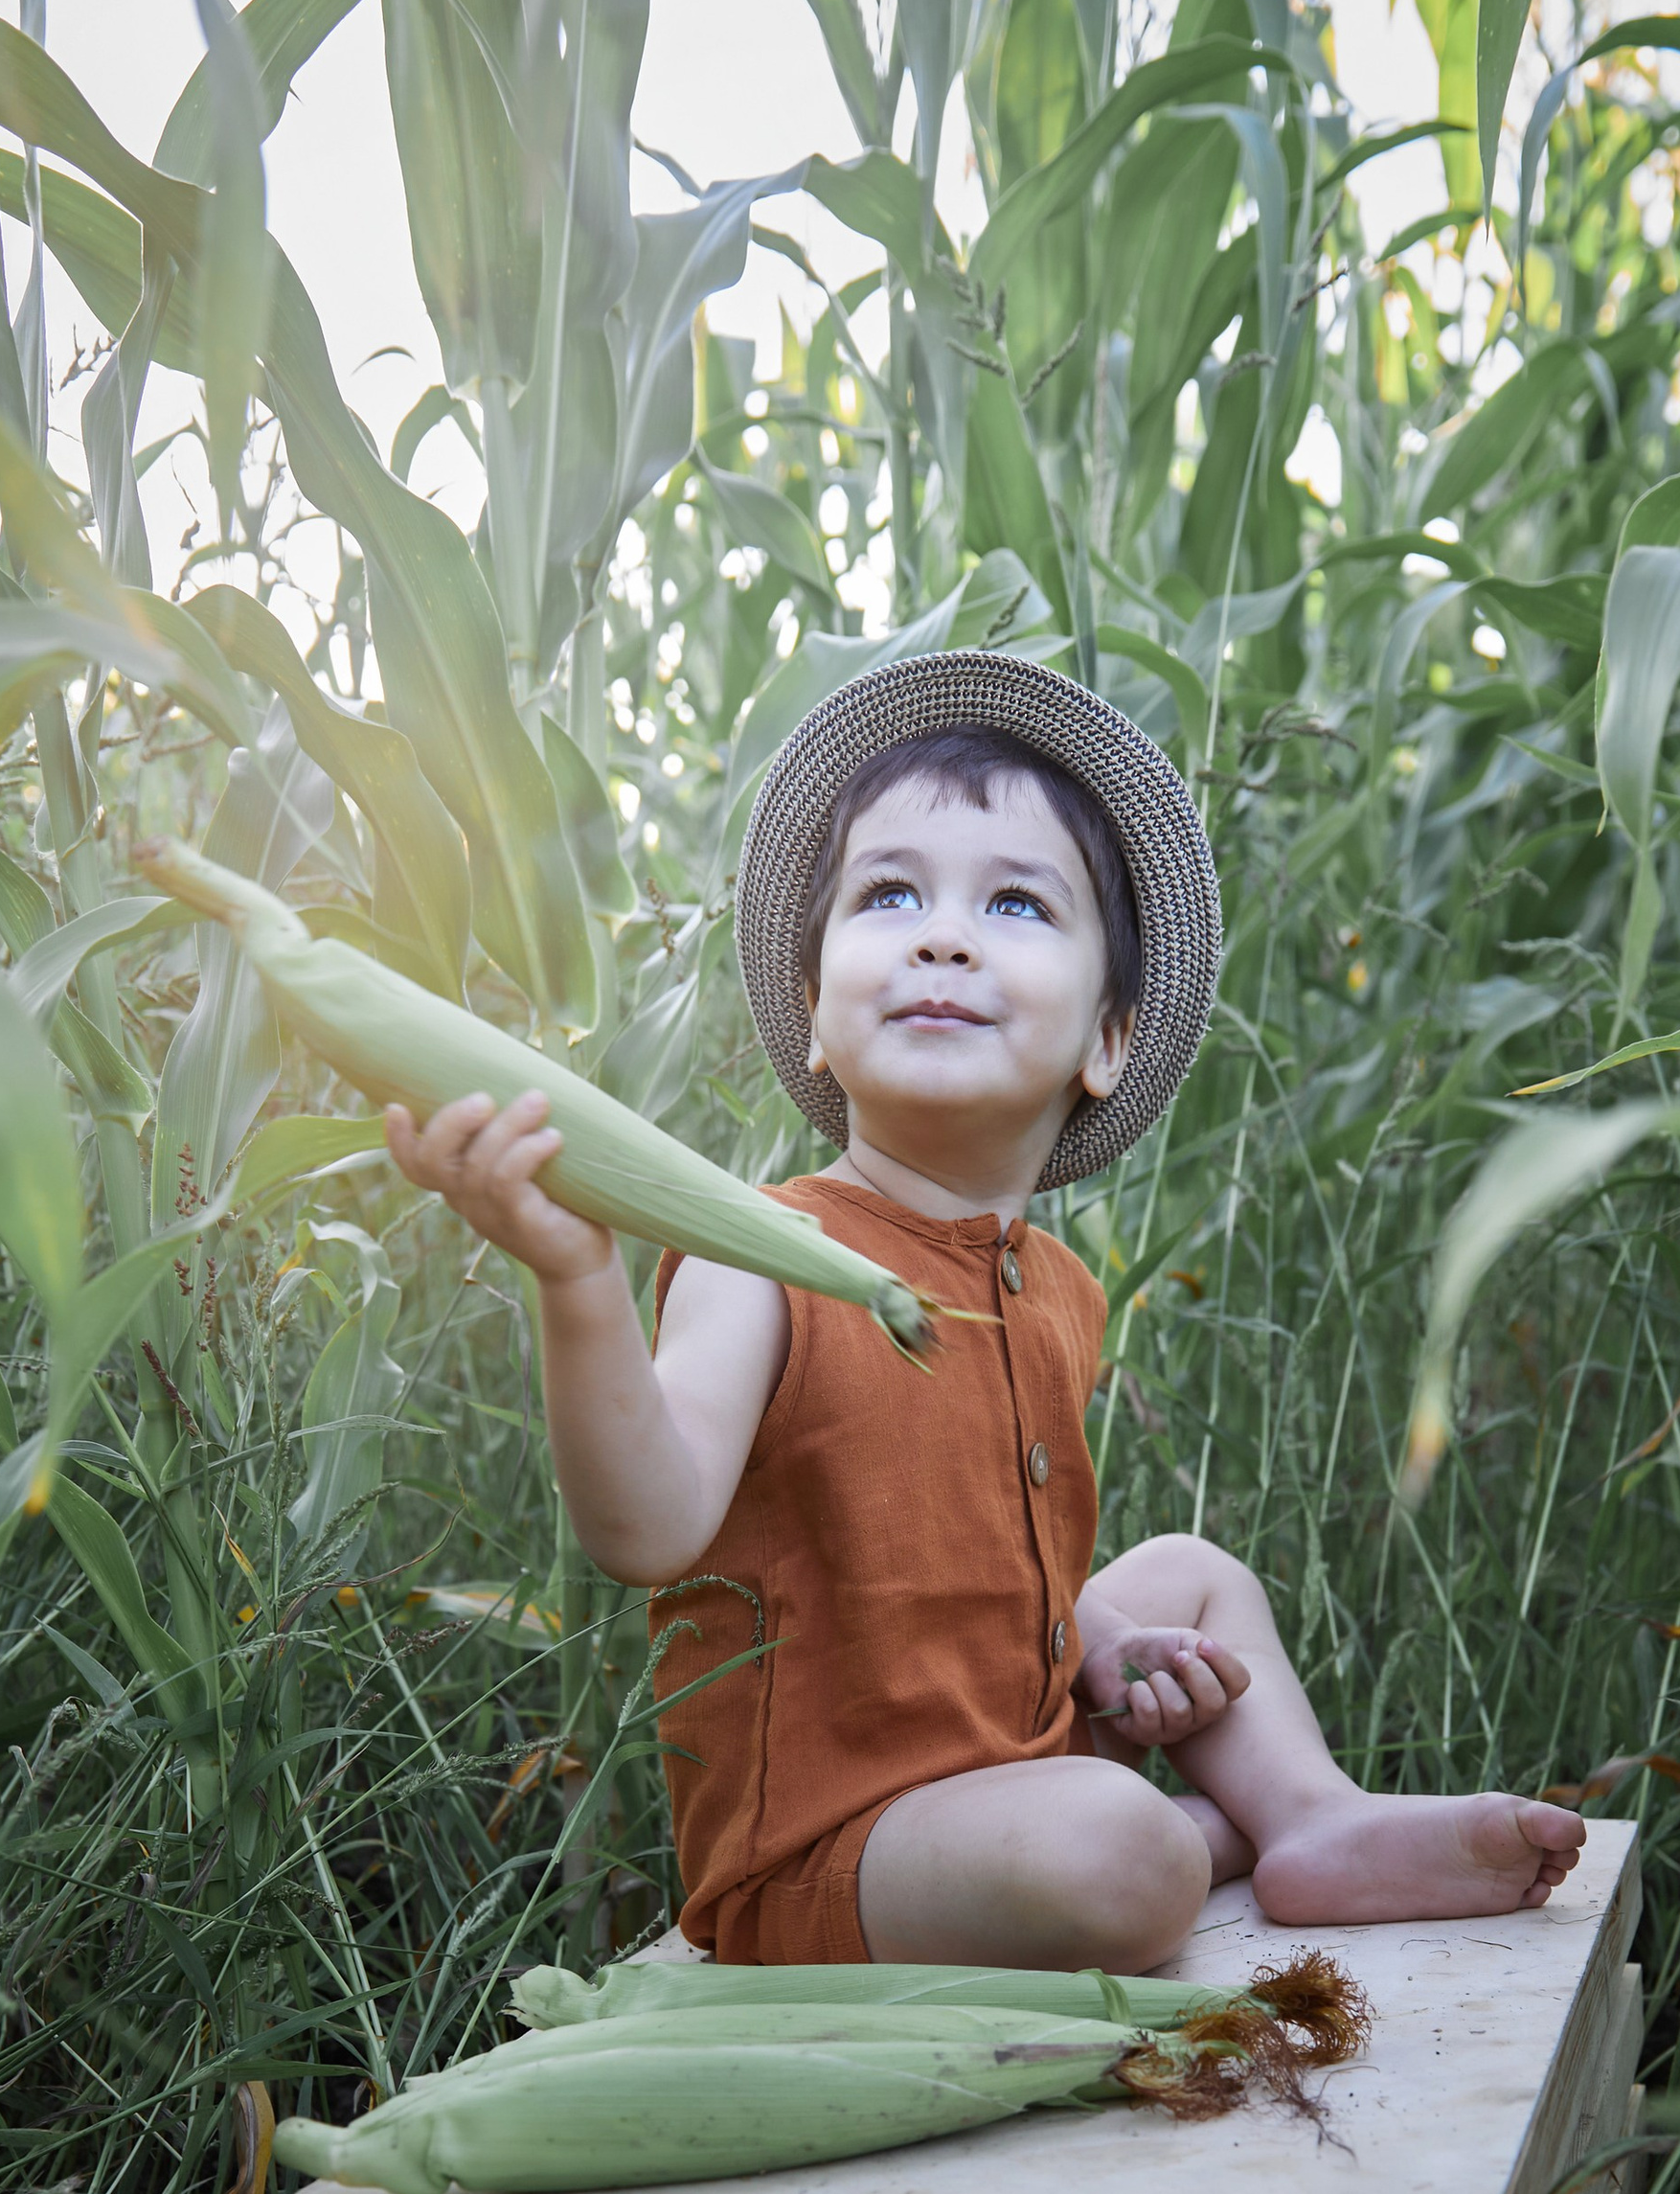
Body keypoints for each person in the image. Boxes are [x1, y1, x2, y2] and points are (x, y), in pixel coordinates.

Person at [385, 652, 1584, 1970]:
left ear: (1107, 1040)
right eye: (889, 894)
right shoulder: (766, 1250)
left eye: (1015, 903)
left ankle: (1309, 1818)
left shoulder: (1057, 1290)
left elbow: (1002, 1574)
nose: (941, 933)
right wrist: (576, 1285)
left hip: (1013, 1759)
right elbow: (651, 1527)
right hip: (834, 1858)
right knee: (1121, 1850)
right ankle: (1210, 1834)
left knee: (1195, 1574)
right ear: (816, 1016)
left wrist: (1102, 1641)